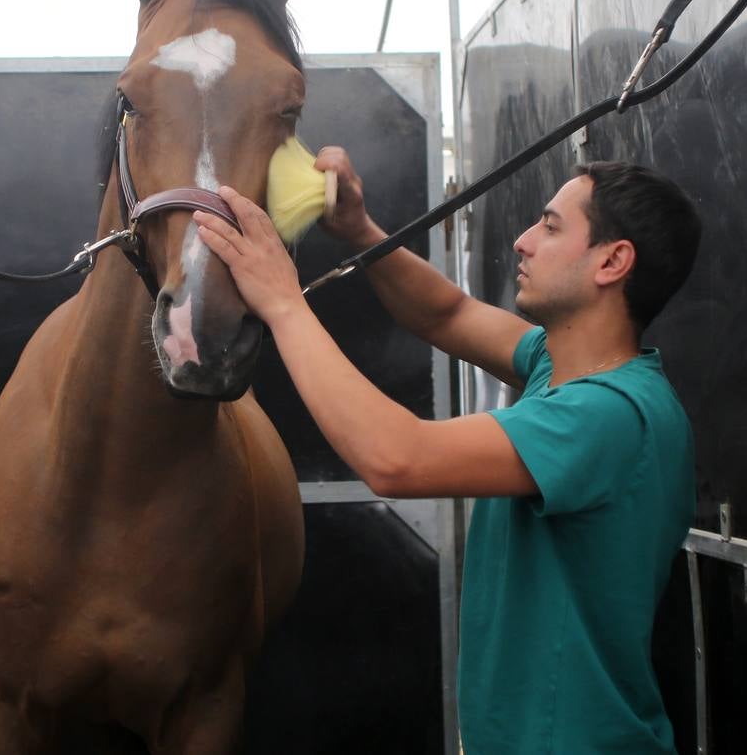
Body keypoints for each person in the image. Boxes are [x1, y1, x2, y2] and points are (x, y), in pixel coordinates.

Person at [192, 149, 702, 755]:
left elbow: (396, 458)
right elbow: (446, 311)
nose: (522, 240)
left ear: (613, 262)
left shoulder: (607, 415)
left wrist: (282, 303)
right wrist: (359, 230)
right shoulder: (558, 365)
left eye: (551, 225)